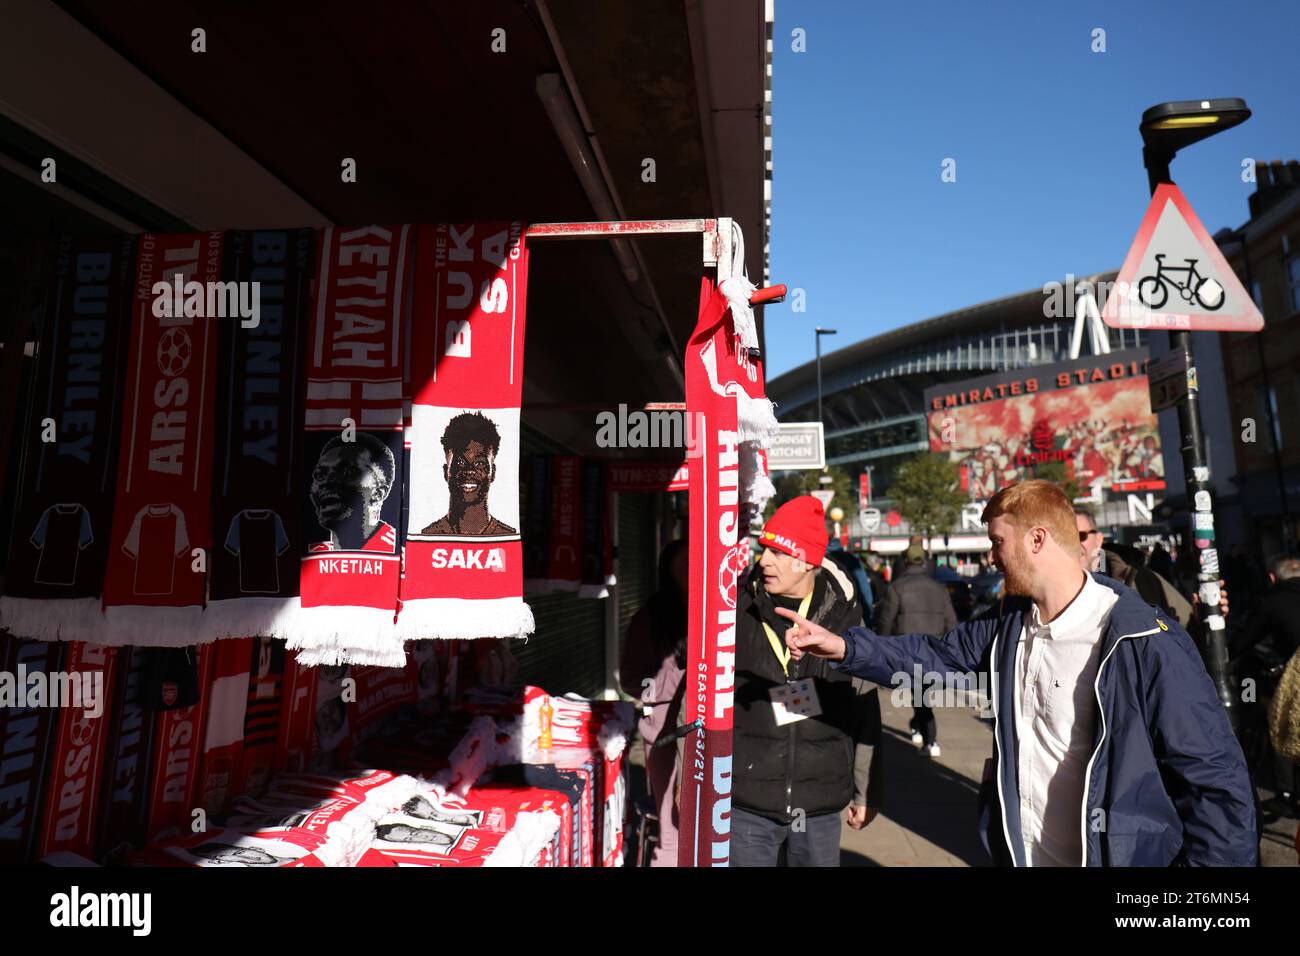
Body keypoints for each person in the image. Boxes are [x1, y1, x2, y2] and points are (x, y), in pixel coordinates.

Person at [778, 480, 1257, 867]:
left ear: (1037, 539)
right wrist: (844, 646)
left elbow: (1214, 782)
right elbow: (933, 656)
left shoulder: (1144, 639)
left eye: (997, 542)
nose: (991, 556)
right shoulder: (1010, 621)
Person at [731, 496, 884, 867]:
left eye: (777, 553)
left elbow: (866, 709)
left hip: (818, 807)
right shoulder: (736, 611)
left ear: (806, 561)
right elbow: (697, 697)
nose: (763, 560)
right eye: (763, 549)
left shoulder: (846, 620)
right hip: (746, 802)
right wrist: (690, 782)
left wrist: (867, 791)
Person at [619, 539, 689, 867]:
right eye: (685, 563)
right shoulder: (651, 617)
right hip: (664, 735)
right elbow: (631, 678)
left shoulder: (716, 613)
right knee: (673, 829)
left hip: (711, 734)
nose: (692, 570)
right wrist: (662, 695)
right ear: (668, 570)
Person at [1229, 554, 1300, 817]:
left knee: (1282, 721)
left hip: (1293, 677)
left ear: (1272, 578)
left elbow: (1242, 642)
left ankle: (1286, 793)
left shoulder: (1272, 603)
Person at [876, 541, 956, 757]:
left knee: (920, 695)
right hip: (934, 650)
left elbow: (885, 622)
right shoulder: (939, 589)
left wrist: (882, 650)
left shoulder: (896, 588)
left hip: (907, 649)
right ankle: (921, 729)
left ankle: (930, 739)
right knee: (922, 695)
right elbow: (951, 623)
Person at [422, 411, 516, 535]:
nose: (469, 471)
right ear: (446, 472)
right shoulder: (429, 536)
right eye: (460, 463)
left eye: (479, 464)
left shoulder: (507, 537)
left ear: (493, 473)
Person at [308, 433, 397, 551]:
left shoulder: (396, 553)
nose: (327, 481)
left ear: (378, 492)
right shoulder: (315, 555)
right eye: (320, 475)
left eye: (348, 472)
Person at [1074, 509, 1104, 573]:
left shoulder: (1124, 579)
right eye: (1067, 538)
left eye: (1081, 536)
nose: (1074, 544)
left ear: (1098, 540)